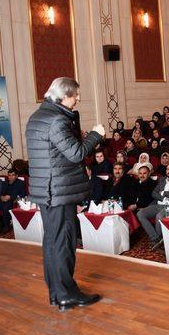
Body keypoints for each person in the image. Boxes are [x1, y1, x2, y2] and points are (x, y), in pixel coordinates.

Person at [25, 77, 105, 311]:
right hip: (58, 191)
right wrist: (95, 135)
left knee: (51, 242)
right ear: (62, 97)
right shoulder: (57, 120)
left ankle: (56, 293)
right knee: (63, 244)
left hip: (48, 190)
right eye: (74, 95)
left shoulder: (38, 117)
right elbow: (77, 154)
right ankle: (67, 295)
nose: (78, 98)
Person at [136, 163, 169, 248]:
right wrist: (163, 198)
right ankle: (156, 238)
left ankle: (158, 239)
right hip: (158, 204)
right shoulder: (162, 179)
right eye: (168, 169)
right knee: (140, 213)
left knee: (159, 216)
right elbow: (153, 193)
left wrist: (162, 192)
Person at [0, 169, 26, 234]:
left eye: (13, 175)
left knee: (5, 208)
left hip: (12, 201)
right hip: (2, 200)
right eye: (9, 175)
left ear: (17, 176)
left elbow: (23, 194)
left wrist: (10, 197)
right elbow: (0, 192)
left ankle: (6, 226)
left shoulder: (20, 183)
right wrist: (1, 197)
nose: (11, 177)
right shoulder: (5, 183)